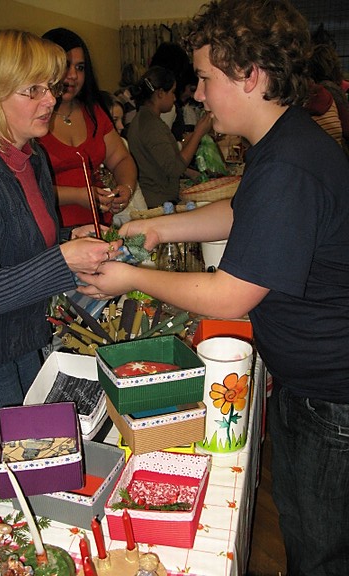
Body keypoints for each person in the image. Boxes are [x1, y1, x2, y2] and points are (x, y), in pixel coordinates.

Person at [76, 1, 349, 574]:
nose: (197, 94)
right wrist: (156, 228)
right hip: (315, 383)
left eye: (205, 78)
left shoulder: (290, 163)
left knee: (319, 549)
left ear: (250, 75)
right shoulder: (283, 141)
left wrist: (130, 276)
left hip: (330, 396)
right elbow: (241, 211)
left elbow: (231, 295)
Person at [0, 29, 122, 472]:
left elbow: (21, 242)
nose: (50, 99)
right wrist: (63, 260)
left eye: (49, 86)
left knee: (46, 456)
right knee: (21, 469)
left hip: (20, 332)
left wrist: (66, 240)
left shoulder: (28, 156)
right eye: (33, 90)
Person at [39, 28, 137, 228]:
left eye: (80, 67)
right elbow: (26, 188)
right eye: (65, 65)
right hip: (55, 232)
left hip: (100, 228)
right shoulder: (32, 117)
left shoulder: (94, 112)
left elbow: (121, 159)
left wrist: (125, 188)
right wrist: (76, 196)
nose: (73, 75)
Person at [127, 65, 212, 207]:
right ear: (160, 93)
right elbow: (175, 168)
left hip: (159, 197)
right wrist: (198, 134)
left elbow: (165, 155)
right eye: (172, 92)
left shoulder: (148, 118)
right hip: (157, 201)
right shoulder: (150, 124)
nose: (174, 98)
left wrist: (192, 136)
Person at [99, 90, 147, 225]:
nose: (121, 126)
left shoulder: (122, 143)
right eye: (114, 120)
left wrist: (144, 219)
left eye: (122, 119)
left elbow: (135, 191)